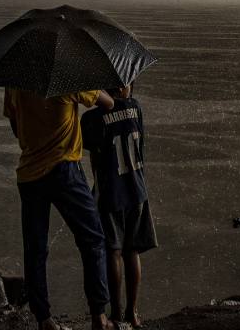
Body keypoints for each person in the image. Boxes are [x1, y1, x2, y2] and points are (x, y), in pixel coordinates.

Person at [4, 87, 117, 330]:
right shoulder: (67, 78)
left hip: (29, 175)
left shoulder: (14, 81)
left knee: (35, 249)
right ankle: (99, 316)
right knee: (93, 240)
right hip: (64, 170)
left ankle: (44, 319)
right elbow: (108, 103)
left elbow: (16, 128)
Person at [80, 84, 157, 328]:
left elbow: (94, 157)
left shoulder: (92, 118)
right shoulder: (136, 108)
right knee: (131, 252)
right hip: (137, 189)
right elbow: (140, 147)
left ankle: (116, 313)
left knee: (112, 252)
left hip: (111, 192)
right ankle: (133, 314)